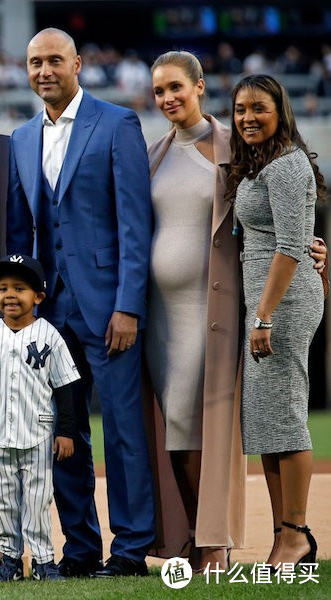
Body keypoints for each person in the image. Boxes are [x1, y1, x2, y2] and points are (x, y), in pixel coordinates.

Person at [6, 28, 155, 577]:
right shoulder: (20, 139)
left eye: (54, 61)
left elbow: (136, 225)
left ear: (77, 64)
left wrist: (129, 305)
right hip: (50, 314)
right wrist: (23, 313)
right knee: (58, 435)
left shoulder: (117, 124)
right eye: (34, 62)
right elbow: (19, 239)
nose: (44, 70)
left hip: (108, 310)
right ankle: (81, 549)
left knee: (122, 432)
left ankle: (132, 548)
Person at [144, 51, 246, 571]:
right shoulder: (153, 153)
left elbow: (271, 212)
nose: (168, 99)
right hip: (160, 314)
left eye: (176, 88)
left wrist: (313, 246)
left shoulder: (237, 144)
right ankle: (194, 536)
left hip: (212, 308)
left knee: (190, 419)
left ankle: (214, 543)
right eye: (159, 91)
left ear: (200, 86)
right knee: (174, 425)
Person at [227, 74, 325, 570]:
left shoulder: (286, 166)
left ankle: (297, 533)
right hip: (265, 306)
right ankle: (284, 534)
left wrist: (263, 316)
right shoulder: (261, 164)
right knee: (266, 423)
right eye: (241, 108)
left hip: (280, 306)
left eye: (259, 108)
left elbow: (290, 247)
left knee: (284, 416)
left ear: (280, 111)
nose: (248, 117)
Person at [0, 254, 79, 582]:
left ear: (38, 296)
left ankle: (43, 563)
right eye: (2, 288)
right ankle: (10, 562)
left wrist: (66, 432)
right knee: (2, 502)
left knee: (39, 502)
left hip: (38, 434)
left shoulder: (50, 336)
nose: (9, 294)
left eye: (19, 288)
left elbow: (65, 388)